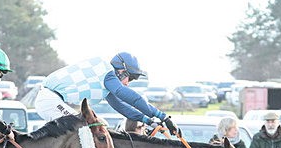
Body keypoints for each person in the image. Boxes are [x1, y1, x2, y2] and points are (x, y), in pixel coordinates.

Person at [34, 52, 177, 134]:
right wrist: (162, 116)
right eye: (131, 77)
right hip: (50, 100)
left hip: (51, 99)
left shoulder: (106, 82)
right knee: (85, 132)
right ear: (121, 70)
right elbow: (131, 98)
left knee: (92, 129)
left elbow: (122, 108)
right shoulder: (108, 74)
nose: (128, 83)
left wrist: (148, 121)